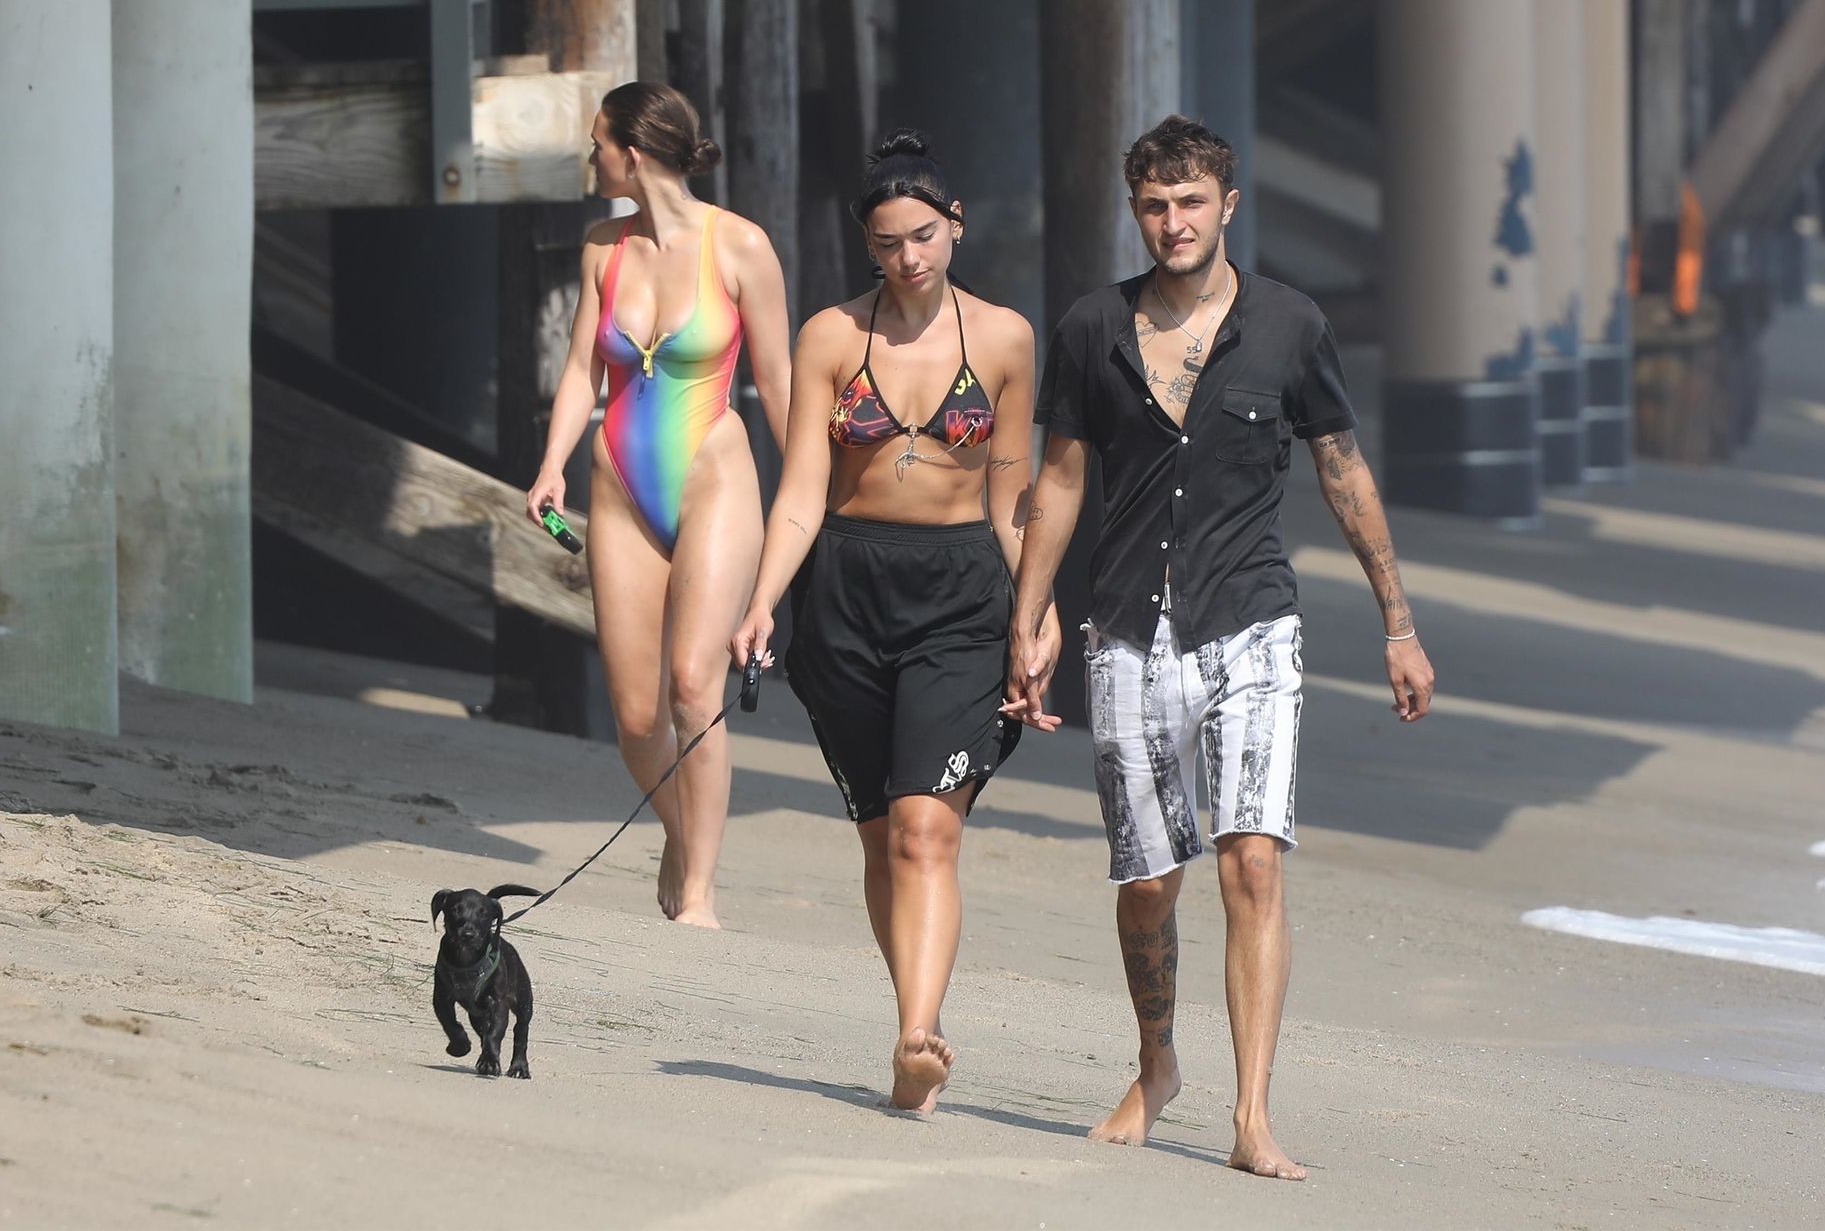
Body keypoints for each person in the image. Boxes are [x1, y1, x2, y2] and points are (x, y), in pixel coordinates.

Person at [1005, 115, 1435, 1177]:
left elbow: (1342, 470)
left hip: (1252, 623)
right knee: (1149, 880)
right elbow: (1058, 480)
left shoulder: (1290, 324)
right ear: (1135, 211)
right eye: (1155, 205)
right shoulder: (1092, 328)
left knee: (1252, 859)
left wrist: (1398, 623)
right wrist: (1028, 616)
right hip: (1126, 630)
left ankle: (1251, 1115)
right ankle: (1157, 1064)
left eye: (1191, 202)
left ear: (1227, 205)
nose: (1174, 222)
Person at [730, 130, 1054, 1112]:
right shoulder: (831, 337)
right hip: (847, 591)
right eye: (886, 243)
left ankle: (916, 1038)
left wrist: (1036, 612)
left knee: (924, 830)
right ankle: (917, 1012)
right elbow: (801, 492)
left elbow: (1013, 497)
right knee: (880, 836)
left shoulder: (1004, 338)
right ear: (866, 246)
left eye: (922, 236)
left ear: (956, 226)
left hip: (960, 596)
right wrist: (761, 599)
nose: (907, 257)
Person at [527, 82, 791, 929]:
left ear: (633, 154)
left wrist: (809, 498)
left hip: (715, 477)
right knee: (637, 716)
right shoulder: (603, 247)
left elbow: (778, 384)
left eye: (598, 145)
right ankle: (681, 835)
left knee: (691, 685)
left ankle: (700, 894)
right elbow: (582, 370)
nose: (591, 160)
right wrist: (550, 466)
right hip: (618, 484)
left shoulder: (740, 245)